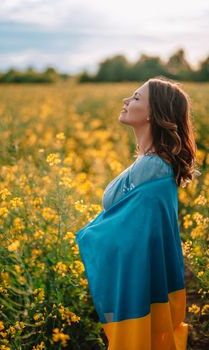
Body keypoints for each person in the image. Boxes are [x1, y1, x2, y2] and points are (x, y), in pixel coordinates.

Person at [75, 76, 201, 350]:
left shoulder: (152, 168)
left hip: (138, 284)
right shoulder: (151, 163)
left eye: (135, 98)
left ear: (153, 114)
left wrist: (88, 234)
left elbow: (135, 232)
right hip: (145, 279)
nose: (126, 101)